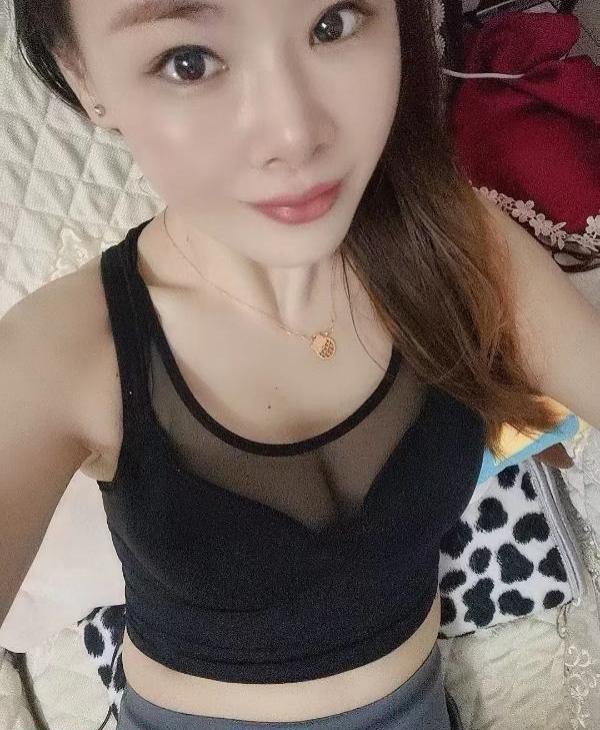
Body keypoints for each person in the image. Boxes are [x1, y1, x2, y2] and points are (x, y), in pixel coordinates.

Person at [3, 1, 599, 728]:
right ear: (84, 76)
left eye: (333, 23)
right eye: (190, 62)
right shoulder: (59, 351)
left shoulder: (456, 246)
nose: (295, 135)